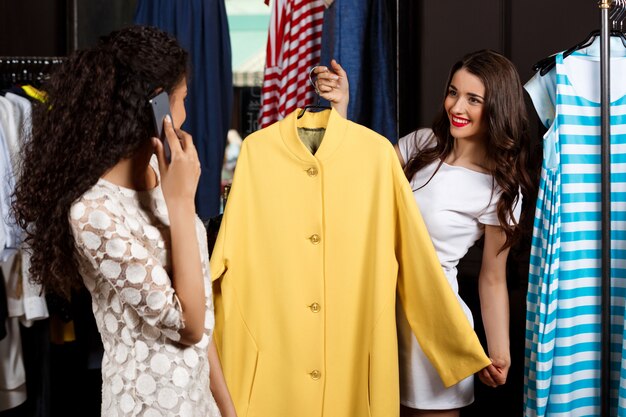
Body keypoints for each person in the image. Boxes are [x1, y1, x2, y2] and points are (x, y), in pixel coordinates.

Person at [12, 26, 236, 417]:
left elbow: (201, 309)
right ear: (155, 107)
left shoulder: (160, 171)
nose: (185, 113)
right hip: (146, 406)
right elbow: (188, 323)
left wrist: (227, 409)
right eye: (181, 100)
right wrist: (181, 203)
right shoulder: (93, 212)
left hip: (198, 405)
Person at [315, 50, 533, 417]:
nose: (456, 106)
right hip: (374, 308)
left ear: (498, 106)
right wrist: (341, 108)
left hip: (434, 324)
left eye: (473, 99)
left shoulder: (501, 187)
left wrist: (500, 351)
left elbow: (493, 279)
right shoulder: (420, 145)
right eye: (453, 92)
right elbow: (351, 182)